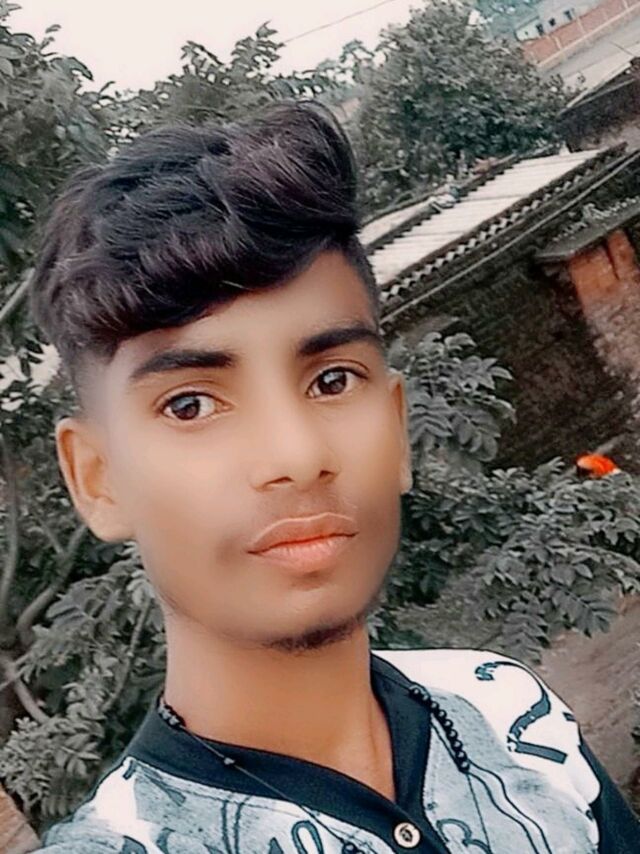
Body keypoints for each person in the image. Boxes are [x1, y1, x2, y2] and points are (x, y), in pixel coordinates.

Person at [28, 101, 640, 853]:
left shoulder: (512, 715)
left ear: (396, 425)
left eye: (332, 381)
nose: (295, 455)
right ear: (98, 480)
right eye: (191, 404)